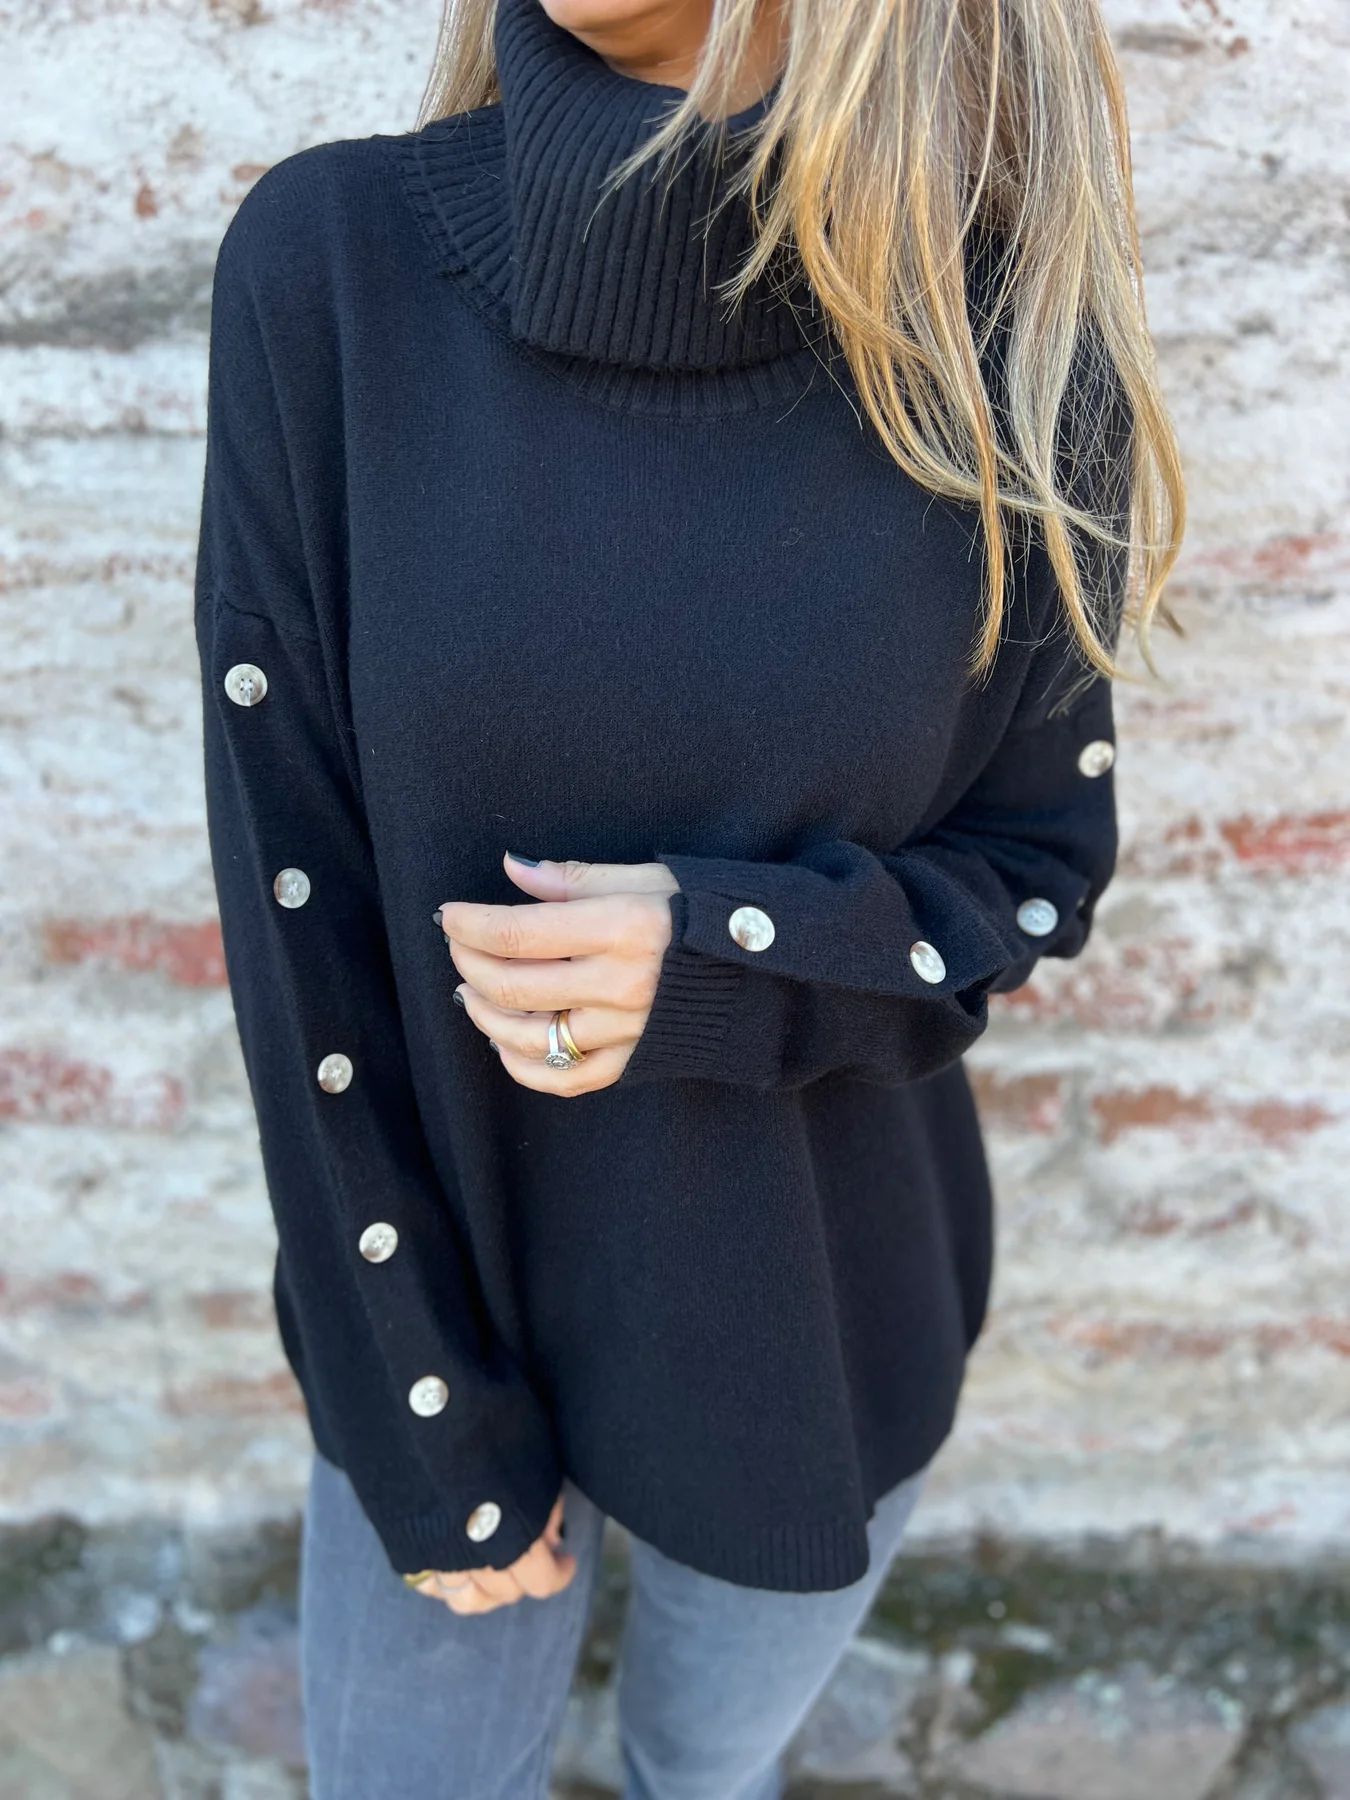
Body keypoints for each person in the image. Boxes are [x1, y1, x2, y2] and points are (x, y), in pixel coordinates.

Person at [192, 0, 1184, 1793]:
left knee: (701, 1775)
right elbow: (295, 909)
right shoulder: (330, 272)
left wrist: (735, 959)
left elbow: (1037, 871)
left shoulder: (1011, 343)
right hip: (432, 1283)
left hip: (814, 1310)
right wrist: (420, 1409)